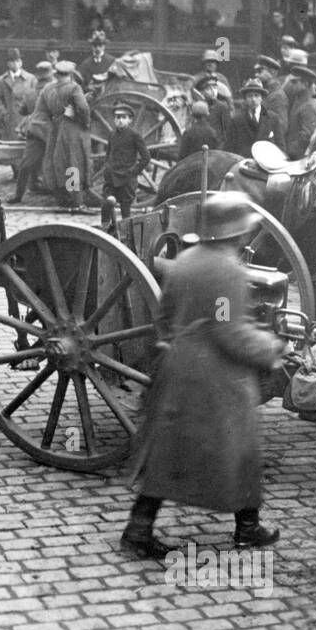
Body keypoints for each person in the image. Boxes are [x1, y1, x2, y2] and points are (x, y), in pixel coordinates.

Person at [120, 192, 285, 558]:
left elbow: (164, 318)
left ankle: (139, 528)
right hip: (216, 374)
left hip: (180, 365)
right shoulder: (227, 270)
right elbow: (229, 330)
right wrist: (270, 348)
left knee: (166, 453)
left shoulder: (186, 260)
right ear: (236, 234)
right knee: (241, 448)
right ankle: (247, 528)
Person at [40, 61, 91, 212]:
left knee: (56, 162)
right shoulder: (74, 88)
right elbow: (83, 108)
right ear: (71, 75)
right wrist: (84, 121)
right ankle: (76, 201)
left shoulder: (49, 89)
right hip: (70, 129)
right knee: (73, 163)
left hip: (55, 129)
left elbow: (45, 111)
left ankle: (61, 199)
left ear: (57, 74)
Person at [100, 102, 151, 222]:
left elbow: (146, 157)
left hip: (126, 179)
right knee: (106, 205)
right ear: (114, 119)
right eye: (118, 117)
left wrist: (133, 172)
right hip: (112, 177)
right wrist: (107, 167)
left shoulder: (135, 136)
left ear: (130, 120)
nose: (120, 120)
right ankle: (105, 229)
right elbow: (108, 153)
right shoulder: (112, 135)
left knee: (125, 210)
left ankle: (126, 235)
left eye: (124, 118)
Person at [13, 61, 54, 203]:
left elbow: (22, 110)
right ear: (51, 76)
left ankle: (18, 195)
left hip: (35, 133)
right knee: (67, 163)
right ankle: (70, 193)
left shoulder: (30, 93)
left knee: (26, 164)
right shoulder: (54, 91)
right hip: (53, 134)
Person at [224, 78, 280, 157]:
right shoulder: (237, 120)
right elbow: (230, 148)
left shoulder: (272, 118)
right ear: (245, 99)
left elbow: (280, 146)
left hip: (267, 163)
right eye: (250, 96)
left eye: (256, 96)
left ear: (262, 98)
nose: (253, 99)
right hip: (245, 163)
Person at [0, 49, 36, 142]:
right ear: (8, 64)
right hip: (9, 121)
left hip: (25, 121)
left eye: (17, 61)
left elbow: (35, 100)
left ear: (21, 62)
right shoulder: (1, 80)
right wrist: (4, 114)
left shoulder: (30, 79)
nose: (15, 63)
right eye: (12, 61)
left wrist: (30, 117)